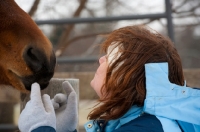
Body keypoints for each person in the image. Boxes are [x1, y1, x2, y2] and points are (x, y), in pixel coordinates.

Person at [18, 25, 200, 132]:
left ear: (128, 74)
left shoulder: (146, 129)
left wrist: (40, 129)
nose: (100, 59)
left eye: (111, 56)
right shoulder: (146, 121)